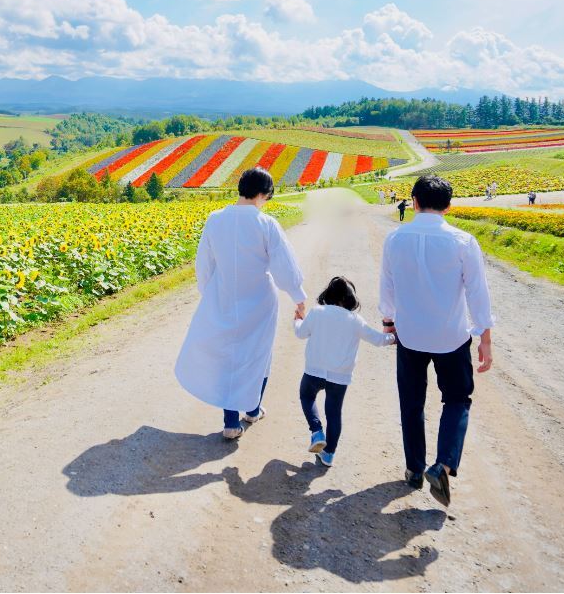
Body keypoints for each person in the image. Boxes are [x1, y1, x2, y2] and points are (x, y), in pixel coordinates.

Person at [379, 174, 495, 508]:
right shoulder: (463, 241)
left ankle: (414, 470)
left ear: (414, 202)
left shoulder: (395, 239)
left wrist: (388, 322)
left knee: (411, 402)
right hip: (451, 336)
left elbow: (387, 287)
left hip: (409, 335)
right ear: (449, 206)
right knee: (457, 399)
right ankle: (442, 464)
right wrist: (485, 338)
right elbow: (477, 292)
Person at [175, 167, 306, 439]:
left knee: (228, 358)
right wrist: (298, 297)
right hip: (260, 301)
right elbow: (284, 267)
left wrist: (211, 294)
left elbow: (204, 264)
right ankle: (253, 409)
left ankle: (230, 422)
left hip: (224, 296)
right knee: (258, 355)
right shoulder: (266, 223)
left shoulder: (215, 219)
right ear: (263, 194)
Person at [292, 276, 395, 466]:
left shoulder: (317, 312)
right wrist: (393, 338)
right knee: (334, 413)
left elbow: (300, 333)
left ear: (328, 294)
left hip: (314, 370)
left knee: (306, 397)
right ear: (350, 299)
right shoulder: (355, 320)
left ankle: (316, 432)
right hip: (339, 376)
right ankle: (328, 454)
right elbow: (378, 340)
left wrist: (298, 320)